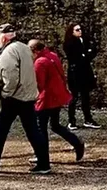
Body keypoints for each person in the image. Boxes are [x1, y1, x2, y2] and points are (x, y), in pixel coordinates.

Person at [0, 25, 50, 174]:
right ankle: (44, 163)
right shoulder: (24, 48)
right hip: (27, 96)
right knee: (33, 130)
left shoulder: (9, 52)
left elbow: (10, 76)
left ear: (4, 37)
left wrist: (5, 93)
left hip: (14, 97)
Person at [31, 32, 85, 162]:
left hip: (45, 99)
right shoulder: (52, 56)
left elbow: (39, 84)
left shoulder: (40, 62)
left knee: (40, 129)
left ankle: (42, 156)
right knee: (55, 125)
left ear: (34, 51)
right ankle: (77, 143)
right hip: (56, 97)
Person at [63, 22, 99, 127]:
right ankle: (71, 121)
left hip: (85, 71)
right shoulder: (69, 43)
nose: (80, 32)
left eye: (80, 29)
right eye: (77, 30)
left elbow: (91, 53)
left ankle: (88, 119)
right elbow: (76, 57)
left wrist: (86, 54)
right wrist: (85, 55)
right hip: (75, 73)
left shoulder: (84, 40)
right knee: (74, 97)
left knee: (85, 96)